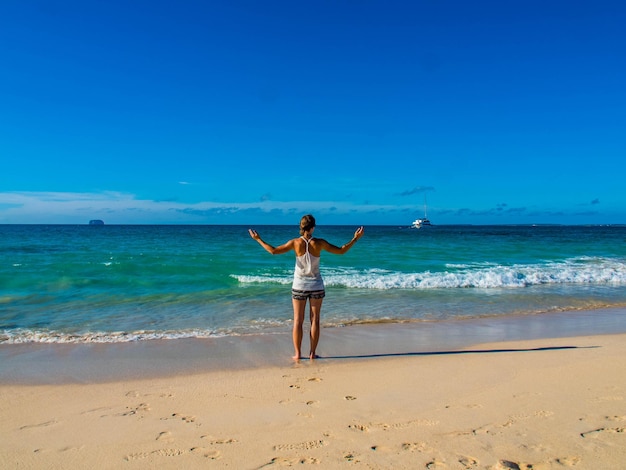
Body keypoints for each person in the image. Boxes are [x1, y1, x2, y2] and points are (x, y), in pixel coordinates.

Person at [249, 215, 364, 361]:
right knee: (315, 320)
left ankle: (297, 354)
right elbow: (341, 251)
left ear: (301, 227)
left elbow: (273, 251)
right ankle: (312, 353)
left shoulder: (295, 243)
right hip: (316, 285)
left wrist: (258, 239)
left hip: (299, 286)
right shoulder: (320, 243)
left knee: (298, 320)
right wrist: (355, 238)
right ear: (313, 227)